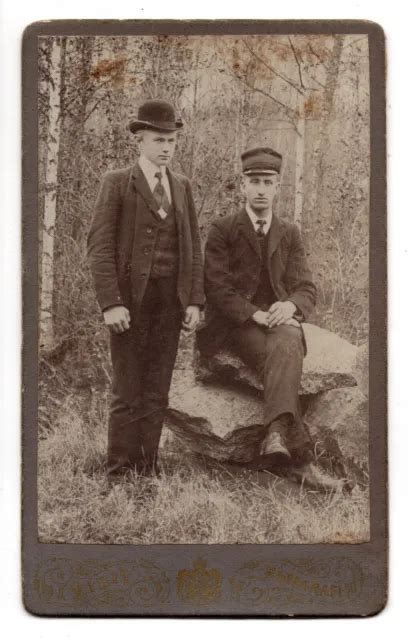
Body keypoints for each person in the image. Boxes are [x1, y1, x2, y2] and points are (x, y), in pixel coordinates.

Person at [198, 147, 341, 490]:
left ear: (278, 187)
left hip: (279, 326)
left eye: (268, 182)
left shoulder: (289, 232)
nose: (261, 189)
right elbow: (216, 288)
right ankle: (303, 460)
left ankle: (275, 436)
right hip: (237, 325)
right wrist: (255, 313)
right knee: (286, 357)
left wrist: (290, 306)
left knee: (289, 339)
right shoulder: (223, 229)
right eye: (254, 181)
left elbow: (305, 286)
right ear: (243, 185)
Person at [87, 99, 203, 477]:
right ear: (139, 140)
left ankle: (147, 468)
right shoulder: (117, 182)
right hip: (129, 305)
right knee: (127, 390)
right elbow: (100, 246)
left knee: (157, 390)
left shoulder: (182, 186)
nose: (167, 147)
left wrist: (194, 300)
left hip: (170, 304)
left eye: (172, 140)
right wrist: (110, 303)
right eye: (158, 140)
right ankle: (119, 471)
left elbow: (194, 248)